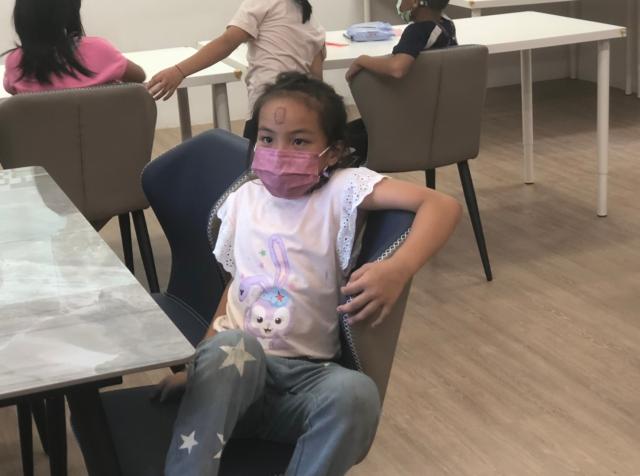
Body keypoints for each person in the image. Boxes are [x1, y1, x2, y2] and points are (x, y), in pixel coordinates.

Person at [156, 72, 462, 476]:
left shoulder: (343, 189)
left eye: (299, 141)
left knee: (356, 393)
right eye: (267, 138)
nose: (279, 152)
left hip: (306, 381)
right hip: (238, 376)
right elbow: (236, 288)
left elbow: (442, 206)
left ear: (333, 152)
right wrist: (200, 366)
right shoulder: (244, 199)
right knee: (232, 347)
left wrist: (398, 268)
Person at [146, 0, 326, 140]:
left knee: (255, 173)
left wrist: (179, 71)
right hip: (303, 115)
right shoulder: (312, 22)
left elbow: (227, 42)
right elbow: (317, 81)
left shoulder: (262, 2)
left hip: (267, 113)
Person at [343, 0, 457, 161]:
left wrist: (361, 60)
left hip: (406, 125)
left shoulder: (418, 31)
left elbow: (397, 68)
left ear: (416, 2)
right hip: (438, 120)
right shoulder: (447, 26)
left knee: (338, 139)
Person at [2, 0, 145, 94]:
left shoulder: (15, 63)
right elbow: (139, 76)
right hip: (101, 132)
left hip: (43, 133)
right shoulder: (100, 50)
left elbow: (12, 91)